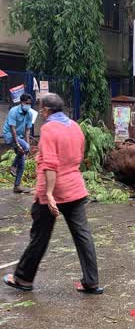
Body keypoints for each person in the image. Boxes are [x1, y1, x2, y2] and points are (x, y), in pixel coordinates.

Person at [3, 93, 103, 295]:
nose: (40, 113)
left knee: (39, 236)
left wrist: (48, 194)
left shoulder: (49, 128)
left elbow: (50, 164)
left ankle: (23, 278)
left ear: (46, 110)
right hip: (75, 188)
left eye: (41, 109)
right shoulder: (75, 126)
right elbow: (78, 156)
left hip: (54, 192)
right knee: (83, 236)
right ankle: (91, 282)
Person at [2, 93, 34, 193]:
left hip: (19, 137)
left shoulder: (30, 113)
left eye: (30, 103)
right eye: (26, 103)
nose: (28, 105)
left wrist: (27, 146)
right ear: (21, 102)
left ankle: (17, 186)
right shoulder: (13, 111)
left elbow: (28, 130)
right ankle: (13, 166)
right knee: (24, 147)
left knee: (22, 162)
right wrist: (20, 145)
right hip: (9, 135)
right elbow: (13, 129)